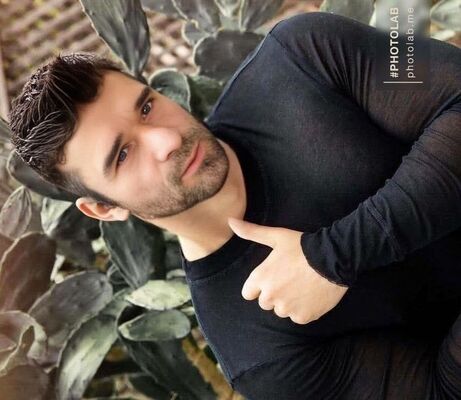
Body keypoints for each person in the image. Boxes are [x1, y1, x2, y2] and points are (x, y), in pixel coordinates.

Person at [8, 11, 461, 399]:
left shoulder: (301, 56)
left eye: (146, 108)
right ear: (104, 210)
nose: (166, 140)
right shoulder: (257, 356)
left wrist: (336, 255)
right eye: (123, 155)